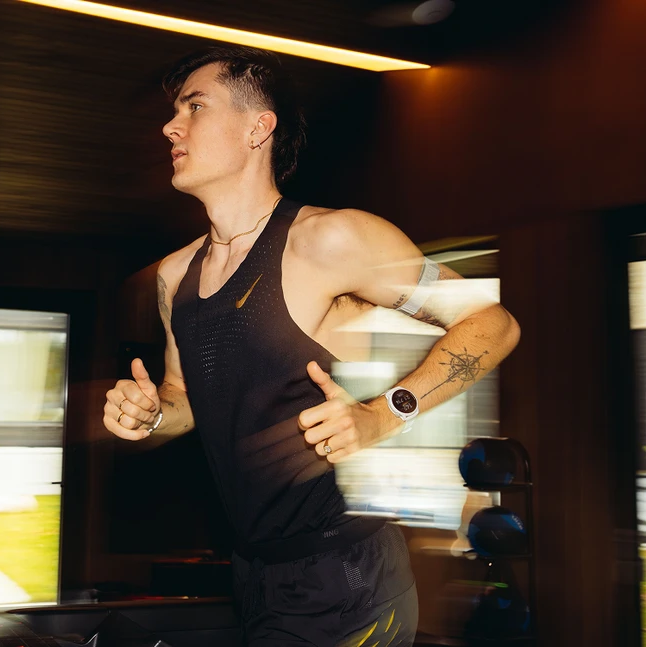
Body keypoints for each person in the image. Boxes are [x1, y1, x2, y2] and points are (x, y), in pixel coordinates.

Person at [103, 45, 520, 647]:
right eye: (175, 111)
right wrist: (147, 414)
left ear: (258, 128)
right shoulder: (175, 276)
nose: (171, 126)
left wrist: (384, 414)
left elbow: (493, 323)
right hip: (252, 572)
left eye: (195, 106)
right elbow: (184, 397)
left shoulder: (331, 239)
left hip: (348, 573)